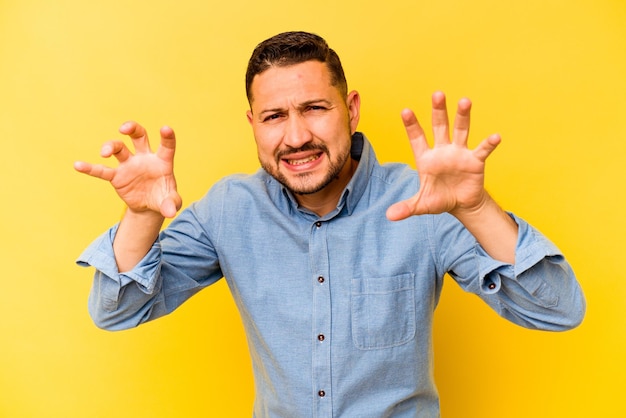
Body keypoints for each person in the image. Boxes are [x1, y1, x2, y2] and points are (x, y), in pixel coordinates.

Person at [75, 31, 585, 417]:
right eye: (274, 116)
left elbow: (559, 309)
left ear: (351, 108)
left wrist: (474, 210)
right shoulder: (229, 209)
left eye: (314, 108)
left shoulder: (426, 203)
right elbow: (114, 312)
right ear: (253, 124)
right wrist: (141, 216)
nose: (296, 136)